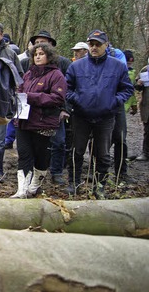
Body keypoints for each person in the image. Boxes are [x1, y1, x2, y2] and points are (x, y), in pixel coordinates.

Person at [65, 30, 134, 197]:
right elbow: (67, 88)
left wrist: (114, 101)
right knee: (77, 151)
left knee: (103, 153)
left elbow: (127, 89)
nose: (94, 47)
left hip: (106, 116)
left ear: (106, 45)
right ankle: (74, 183)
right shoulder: (76, 66)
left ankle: (100, 186)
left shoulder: (117, 66)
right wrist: (77, 99)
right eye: (91, 44)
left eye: (98, 44)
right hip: (81, 115)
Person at [10, 43, 66, 198]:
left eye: (41, 54)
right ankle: (22, 190)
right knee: (24, 154)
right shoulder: (29, 74)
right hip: (24, 121)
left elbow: (58, 98)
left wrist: (32, 97)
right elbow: (21, 89)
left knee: (41, 157)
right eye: (35, 54)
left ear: (49, 56)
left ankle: (34, 186)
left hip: (43, 122)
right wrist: (19, 95)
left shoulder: (56, 75)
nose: (38, 57)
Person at [0, 22, 23, 182]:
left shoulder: (10, 53)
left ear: (1, 35)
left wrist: (11, 95)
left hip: (1, 102)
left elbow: (19, 75)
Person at [135, 58, 149, 161]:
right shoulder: (145, 70)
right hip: (147, 104)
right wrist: (139, 83)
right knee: (147, 130)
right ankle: (146, 153)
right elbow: (137, 87)